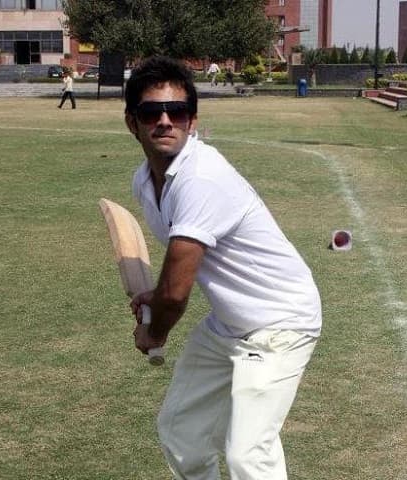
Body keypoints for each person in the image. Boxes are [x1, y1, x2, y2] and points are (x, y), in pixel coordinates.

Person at [124, 56, 322, 480]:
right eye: (151, 112)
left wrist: (154, 331)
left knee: (248, 455)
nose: (165, 121)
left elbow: (176, 293)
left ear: (192, 121)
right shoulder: (144, 182)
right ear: (132, 123)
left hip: (280, 323)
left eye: (177, 111)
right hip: (229, 325)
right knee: (181, 430)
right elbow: (179, 269)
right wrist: (156, 296)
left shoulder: (201, 178)